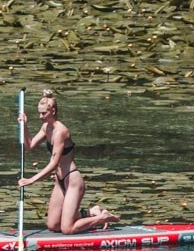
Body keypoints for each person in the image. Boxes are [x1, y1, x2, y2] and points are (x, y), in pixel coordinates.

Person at [17, 89, 119, 234]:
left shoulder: (61, 132)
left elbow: (54, 163)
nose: (40, 117)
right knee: (53, 225)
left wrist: (31, 180)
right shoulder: (46, 127)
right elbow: (29, 146)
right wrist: (24, 126)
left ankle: (103, 217)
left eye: (43, 113)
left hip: (72, 181)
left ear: (53, 111)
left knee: (67, 229)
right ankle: (91, 211)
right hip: (60, 181)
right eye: (39, 113)